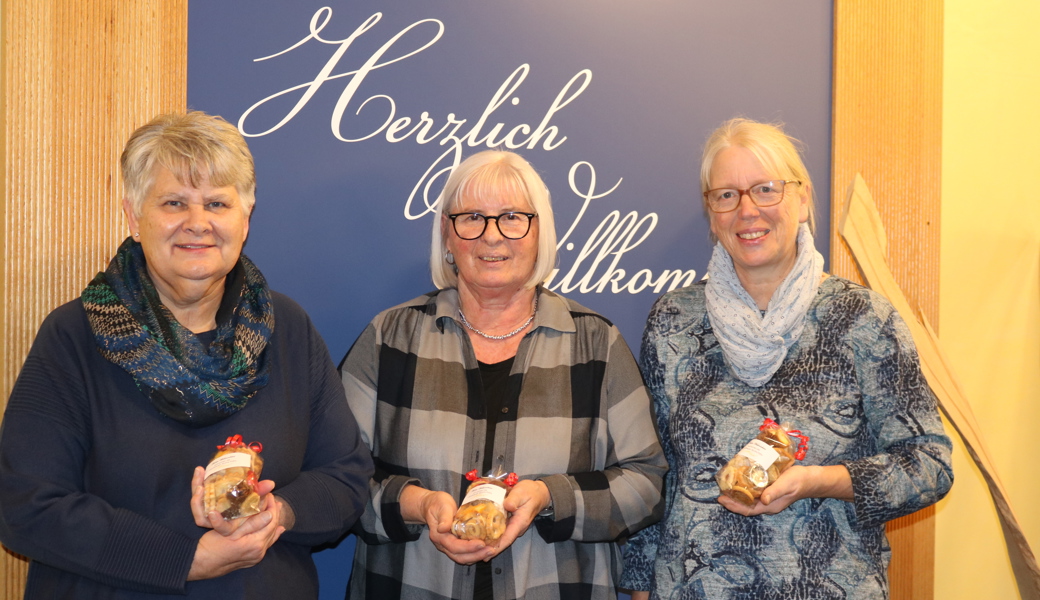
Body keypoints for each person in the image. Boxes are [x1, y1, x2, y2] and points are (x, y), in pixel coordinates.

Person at [0, 111, 373, 598]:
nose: (197, 223)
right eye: (174, 202)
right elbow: (26, 503)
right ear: (134, 217)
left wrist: (277, 513)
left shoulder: (288, 329)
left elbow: (346, 478)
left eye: (217, 203)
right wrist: (185, 560)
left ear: (246, 217)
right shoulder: (74, 336)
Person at [620, 118, 954, 599]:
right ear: (712, 214)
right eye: (726, 195)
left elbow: (929, 464)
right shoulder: (674, 321)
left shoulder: (863, 318)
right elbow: (655, 472)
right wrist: (640, 589)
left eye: (766, 189)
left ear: (802, 200)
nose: (747, 210)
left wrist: (821, 481)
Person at [339, 149, 667, 600]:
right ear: (447, 234)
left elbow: (647, 483)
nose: (491, 236)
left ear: (540, 232)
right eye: (472, 217)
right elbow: (336, 477)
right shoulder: (389, 339)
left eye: (512, 217)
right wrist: (417, 505)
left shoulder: (597, 344)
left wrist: (550, 498)